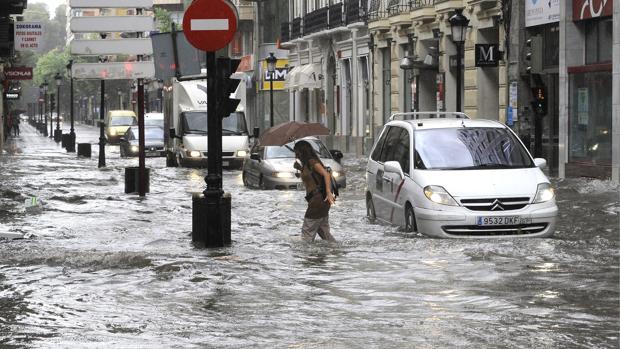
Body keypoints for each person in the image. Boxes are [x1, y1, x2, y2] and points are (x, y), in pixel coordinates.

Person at [293, 140, 336, 242]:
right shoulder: (306, 164)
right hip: (319, 201)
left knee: (306, 234)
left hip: (318, 200)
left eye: (296, 152)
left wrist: (329, 193)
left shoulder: (312, 161)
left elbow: (326, 174)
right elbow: (311, 179)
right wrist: (300, 169)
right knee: (324, 232)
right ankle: (334, 250)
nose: (295, 155)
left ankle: (307, 257)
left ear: (302, 151)